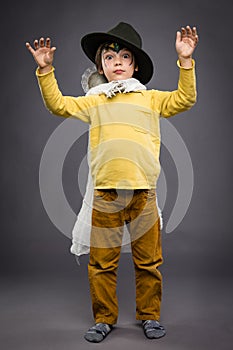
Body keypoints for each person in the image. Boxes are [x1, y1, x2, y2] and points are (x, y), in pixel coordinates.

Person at [26, 22, 198, 343]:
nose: (116, 61)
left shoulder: (150, 99)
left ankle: (149, 315)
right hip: (106, 196)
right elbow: (58, 105)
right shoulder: (95, 101)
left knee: (148, 262)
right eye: (108, 57)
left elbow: (185, 99)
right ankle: (104, 318)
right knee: (102, 263)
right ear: (101, 67)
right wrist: (46, 70)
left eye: (124, 56)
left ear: (134, 65)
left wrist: (185, 62)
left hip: (144, 195)